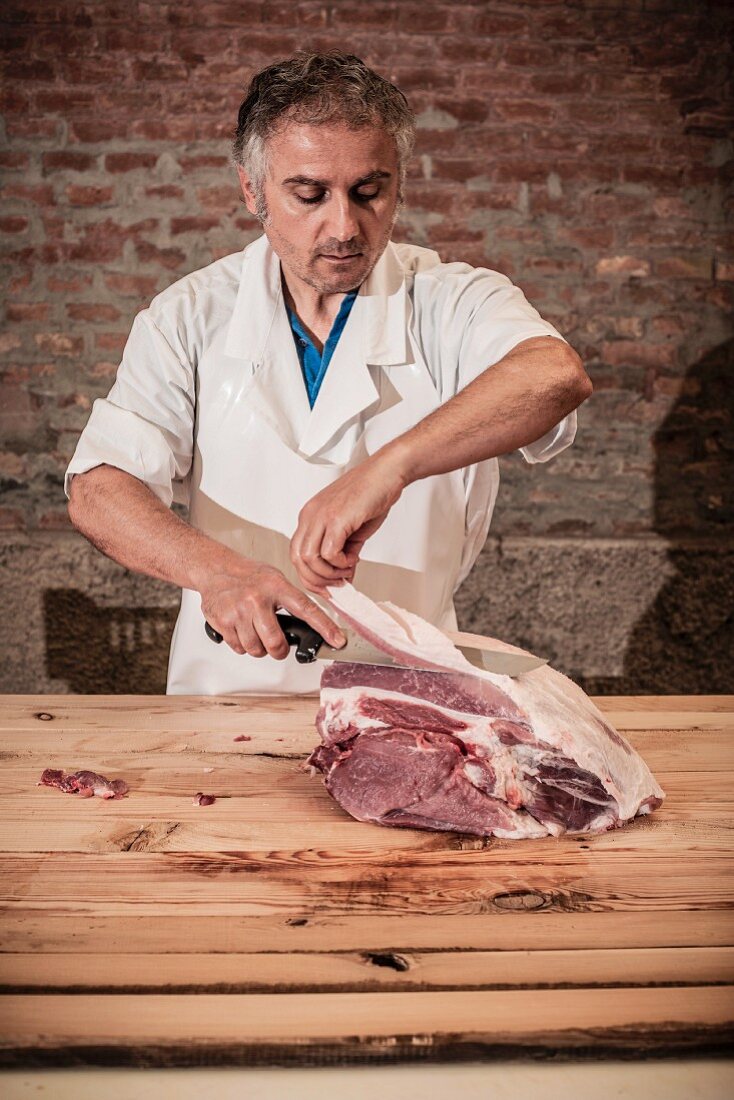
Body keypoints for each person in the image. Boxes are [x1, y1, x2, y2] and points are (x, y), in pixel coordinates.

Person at [65, 52, 592, 695]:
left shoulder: (453, 300)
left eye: (369, 193)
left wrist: (387, 468)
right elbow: (99, 489)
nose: (344, 227)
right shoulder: (187, 317)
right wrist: (216, 572)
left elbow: (553, 374)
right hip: (225, 697)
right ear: (252, 190)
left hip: (410, 698)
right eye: (309, 194)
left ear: (398, 183)